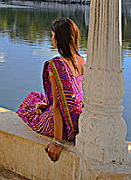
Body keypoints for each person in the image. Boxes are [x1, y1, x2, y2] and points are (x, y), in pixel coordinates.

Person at [16, 17, 85, 163]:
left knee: (29, 105)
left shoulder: (57, 64)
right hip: (79, 119)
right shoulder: (81, 60)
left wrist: (57, 142)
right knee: (40, 98)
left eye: (52, 35)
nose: (51, 39)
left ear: (59, 39)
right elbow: (73, 95)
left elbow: (59, 106)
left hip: (64, 126)